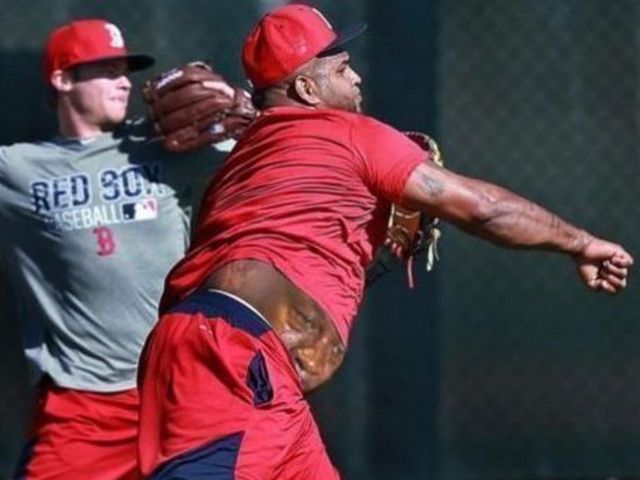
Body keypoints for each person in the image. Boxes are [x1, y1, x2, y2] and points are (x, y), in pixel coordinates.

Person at [137, 4, 634, 479]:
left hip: (221, 350)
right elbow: (484, 209)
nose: (356, 78)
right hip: (233, 353)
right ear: (308, 88)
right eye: (342, 67)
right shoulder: (349, 135)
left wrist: (371, 260)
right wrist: (580, 242)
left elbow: (286, 257)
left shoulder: (244, 163)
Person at [0, 18, 234, 480]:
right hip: (84, 409)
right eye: (105, 69)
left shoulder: (165, 145)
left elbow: (271, 155)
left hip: (179, 395)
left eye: (125, 70)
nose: (123, 81)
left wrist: (238, 110)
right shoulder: (18, 171)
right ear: (63, 79)